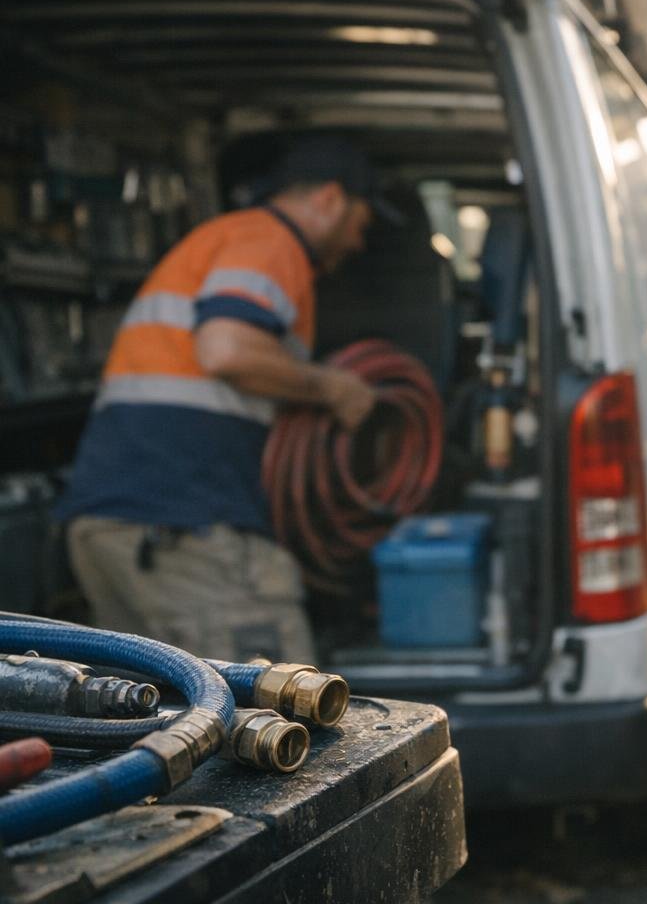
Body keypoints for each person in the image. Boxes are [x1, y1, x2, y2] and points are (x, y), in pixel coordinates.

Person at [56, 136, 394, 664]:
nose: (358, 242)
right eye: (361, 223)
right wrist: (334, 388)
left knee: (164, 724)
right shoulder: (271, 241)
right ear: (329, 198)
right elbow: (227, 350)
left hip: (119, 526)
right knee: (277, 719)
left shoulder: (225, 238)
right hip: (184, 532)